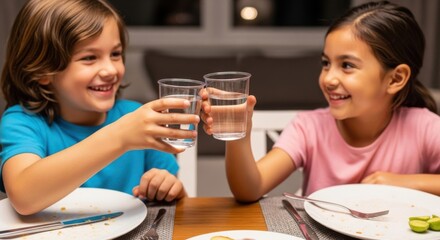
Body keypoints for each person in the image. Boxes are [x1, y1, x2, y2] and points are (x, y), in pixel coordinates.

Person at [201, 1, 440, 202]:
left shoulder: (424, 127)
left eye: (347, 65)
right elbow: (249, 189)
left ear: (396, 78)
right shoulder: (309, 127)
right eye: (326, 63)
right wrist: (239, 132)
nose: (329, 78)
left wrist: (405, 182)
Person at [0, 0, 200, 215]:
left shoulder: (136, 118)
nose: (110, 70)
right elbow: (23, 196)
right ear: (42, 71)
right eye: (89, 58)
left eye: (115, 54)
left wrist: (170, 188)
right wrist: (120, 137)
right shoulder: (22, 122)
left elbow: (177, 206)